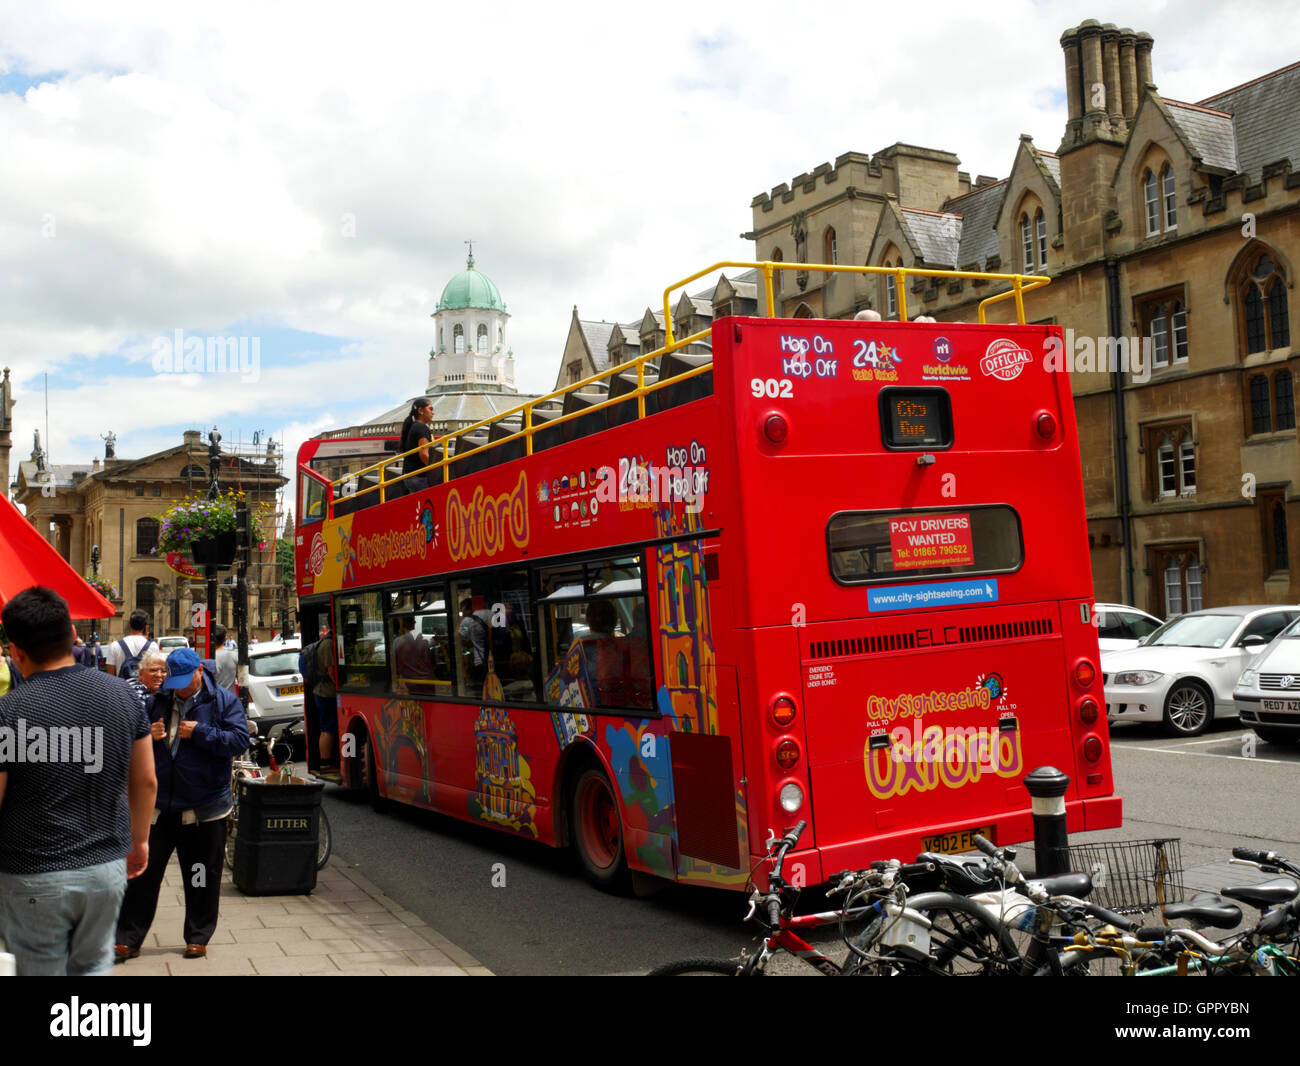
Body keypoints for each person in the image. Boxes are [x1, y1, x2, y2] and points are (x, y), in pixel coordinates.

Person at [0, 586, 156, 976]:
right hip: (106, 866)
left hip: (32, 870)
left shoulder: (8, 711)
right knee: (92, 968)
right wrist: (139, 841)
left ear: (16, 651)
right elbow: (146, 780)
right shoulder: (122, 695)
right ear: (72, 633)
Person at [113, 648, 248, 962]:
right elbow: (130, 744)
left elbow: (239, 740)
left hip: (204, 809)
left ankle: (197, 936)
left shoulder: (223, 701)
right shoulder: (156, 701)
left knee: (200, 874)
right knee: (143, 875)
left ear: (200, 671)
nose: (180, 688)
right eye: (175, 682)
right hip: (159, 808)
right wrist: (149, 735)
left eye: (186, 681)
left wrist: (202, 733)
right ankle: (128, 939)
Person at [395, 398, 435, 497]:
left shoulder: (414, 427)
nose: (433, 412)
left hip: (410, 476)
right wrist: (436, 469)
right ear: (421, 411)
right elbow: (424, 454)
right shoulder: (422, 428)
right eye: (431, 409)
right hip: (420, 477)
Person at [106, 609, 155, 680]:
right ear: (145, 626)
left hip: (122, 689)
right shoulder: (152, 646)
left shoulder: (115, 646)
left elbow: (110, 675)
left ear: (129, 624)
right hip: (144, 689)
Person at [124, 649, 168, 715]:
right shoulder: (133, 692)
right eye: (153, 670)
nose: (158, 675)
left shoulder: (171, 692)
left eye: (164, 671)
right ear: (140, 673)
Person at [208, 624, 238, 692]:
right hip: (230, 698)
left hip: (213, 699)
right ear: (225, 639)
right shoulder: (234, 656)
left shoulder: (207, 658)